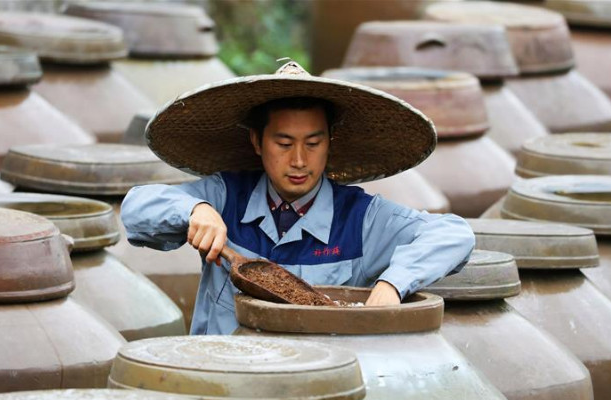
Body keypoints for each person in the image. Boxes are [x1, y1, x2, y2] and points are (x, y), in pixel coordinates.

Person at [122, 62, 475, 335]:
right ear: (258, 143)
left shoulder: (360, 219)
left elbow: (453, 234)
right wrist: (194, 209)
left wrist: (392, 284)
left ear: (330, 142)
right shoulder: (224, 197)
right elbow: (137, 208)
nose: (299, 160)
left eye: (313, 143)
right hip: (221, 386)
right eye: (284, 143)